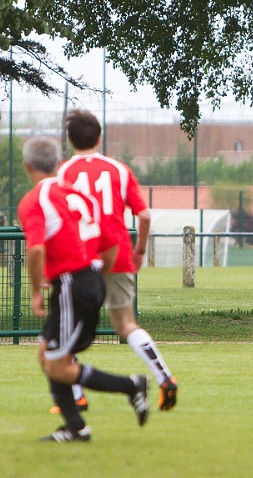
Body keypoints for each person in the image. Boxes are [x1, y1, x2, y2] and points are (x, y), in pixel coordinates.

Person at [18, 137, 149, 442]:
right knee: (46, 356)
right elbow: (111, 244)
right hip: (86, 279)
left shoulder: (33, 201)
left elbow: (36, 249)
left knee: (57, 366)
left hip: (71, 284)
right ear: (57, 163)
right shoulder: (77, 195)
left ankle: (131, 386)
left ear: (27, 166)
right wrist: (95, 275)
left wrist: (36, 291)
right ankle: (75, 426)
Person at [57, 109, 178, 411]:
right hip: (119, 253)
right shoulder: (118, 170)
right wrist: (140, 249)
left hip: (81, 259)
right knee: (125, 324)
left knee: (67, 328)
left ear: (70, 139)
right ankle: (164, 378)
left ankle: (75, 397)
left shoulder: (63, 172)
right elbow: (145, 215)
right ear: (99, 138)